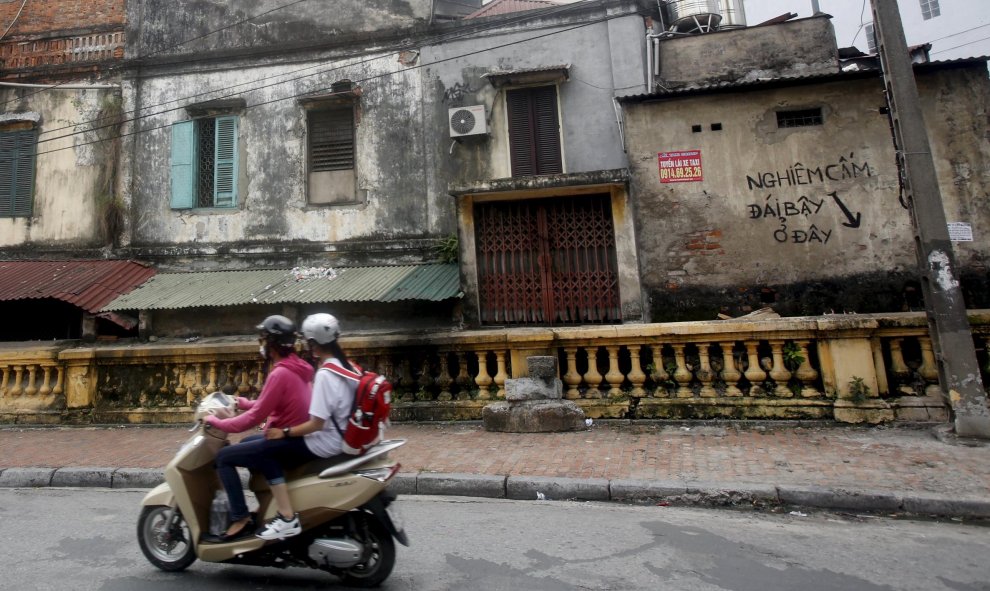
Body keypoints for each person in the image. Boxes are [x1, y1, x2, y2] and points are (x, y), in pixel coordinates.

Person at [204, 315, 313, 542]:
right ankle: (266, 505)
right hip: (295, 439)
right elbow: (269, 403)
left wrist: (215, 422)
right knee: (246, 445)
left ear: (271, 344)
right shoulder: (299, 367)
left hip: (288, 441)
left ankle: (240, 517)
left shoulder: (280, 373)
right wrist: (241, 402)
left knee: (223, 457)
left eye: (263, 339)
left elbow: (254, 418)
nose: (261, 344)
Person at [259, 312, 357, 539]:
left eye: (307, 341)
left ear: (313, 343)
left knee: (266, 451)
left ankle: (286, 517)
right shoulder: (347, 366)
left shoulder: (324, 374)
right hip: (342, 435)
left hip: (326, 442)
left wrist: (284, 432)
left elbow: (316, 424)